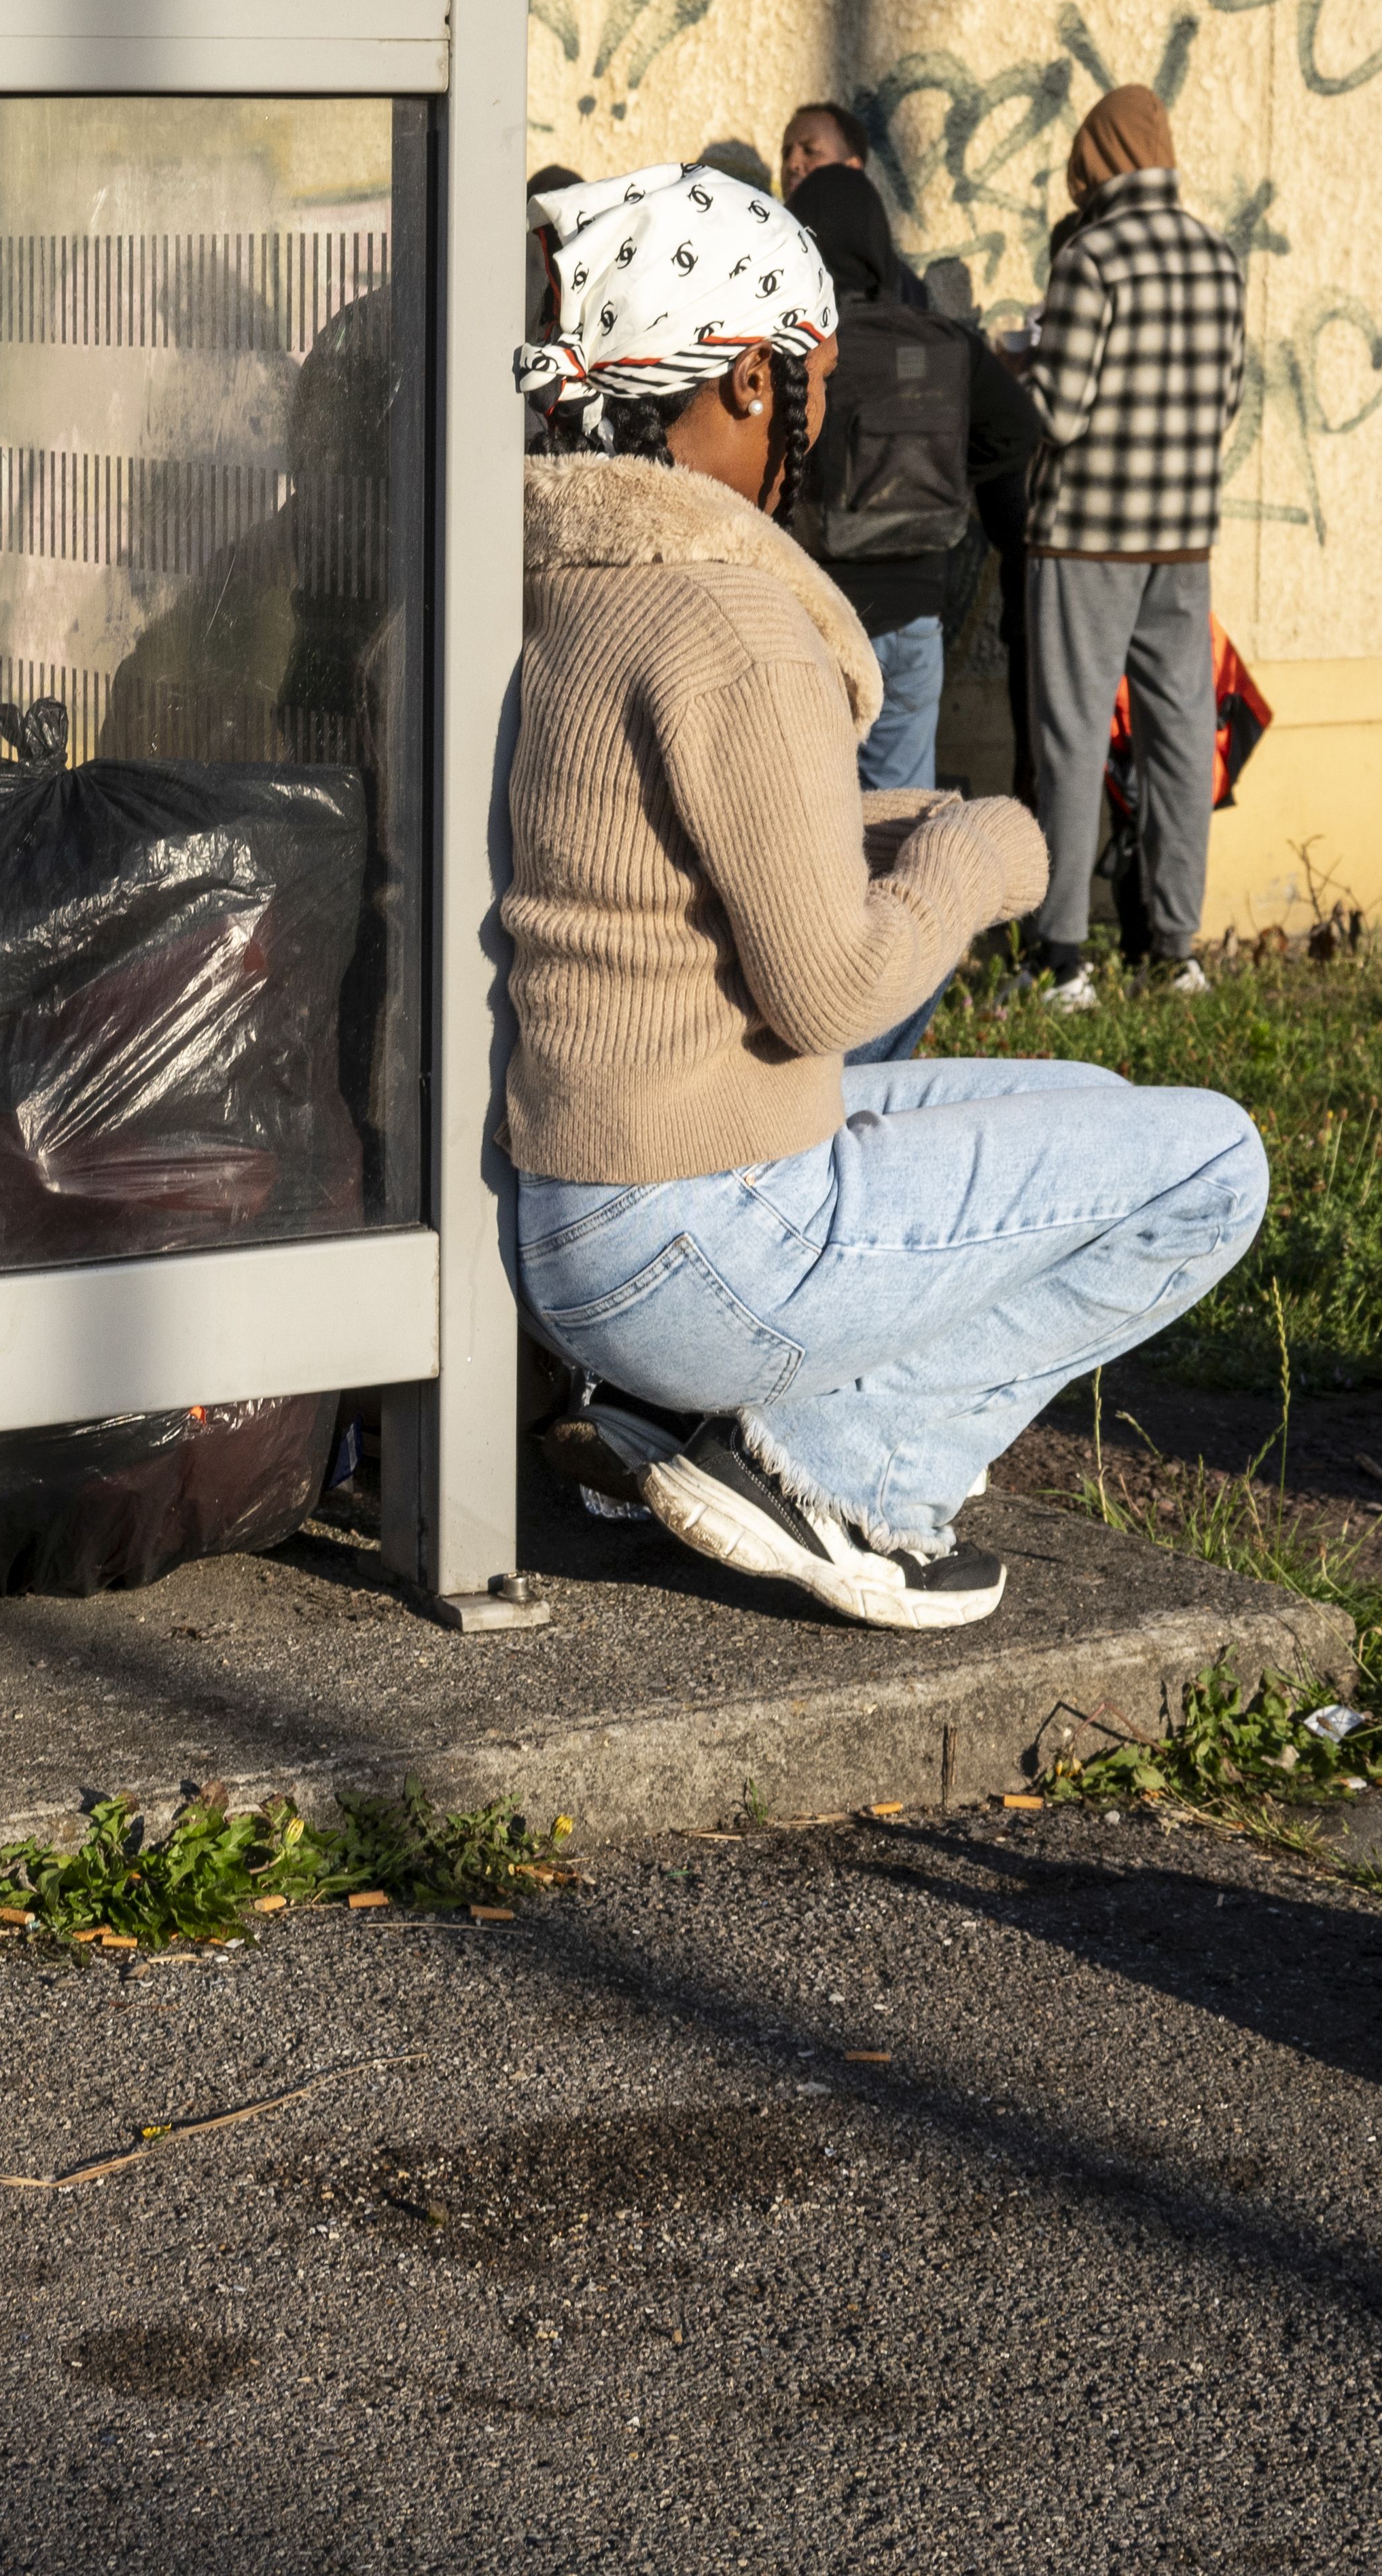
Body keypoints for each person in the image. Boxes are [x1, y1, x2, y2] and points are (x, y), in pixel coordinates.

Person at [501, 162, 1263, 1631]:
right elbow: (834, 991)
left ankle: (690, 1422)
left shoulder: (563, 578)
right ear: (746, 377)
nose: (820, 418)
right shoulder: (726, 614)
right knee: (1209, 1163)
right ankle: (848, 1472)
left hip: (578, 1218)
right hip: (692, 1248)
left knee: (1094, 1100)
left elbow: (658, 843)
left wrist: (897, 822)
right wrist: (979, 863)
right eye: (813, 381)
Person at [1009, 86, 1247, 1009]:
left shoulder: (1092, 256)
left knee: (1071, 736)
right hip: (1182, 535)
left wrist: (1014, 365)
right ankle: (1175, 948)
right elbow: (1226, 402)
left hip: (1085, 536)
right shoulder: (1218, 257)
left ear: (1095, 161)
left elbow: (1059, 413)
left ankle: (1061, 955)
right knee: (1180, 734)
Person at [775, 99, 1043, 805]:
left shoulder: (793, 347)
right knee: (898, 816)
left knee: (809, 811)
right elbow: (1018, 428)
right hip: (914, 612)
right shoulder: (938, 340)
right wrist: (949, 473)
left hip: (811, 611)